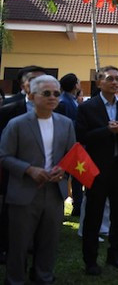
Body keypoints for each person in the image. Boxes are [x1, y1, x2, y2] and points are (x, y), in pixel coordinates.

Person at [0, 75, 75, 285]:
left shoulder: (66, 123)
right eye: (46, 93)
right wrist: (28, 170)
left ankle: (44, 276)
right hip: (24, 192)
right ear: (31, 96)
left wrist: (63, 170)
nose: (52, 97)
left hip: (54, 192)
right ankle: (15, 279)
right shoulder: (16, 124)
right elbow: (3, 156)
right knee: (19, 243)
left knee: (49, 241)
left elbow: (72, 155)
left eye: (56, 93)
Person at [76, 66, 118, 275]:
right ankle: (90, 259)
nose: (115, 82)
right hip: (97, 168)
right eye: (110, 79)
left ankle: (115, 253)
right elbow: (82, 136)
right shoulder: (88, 107)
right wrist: (106, 131)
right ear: (99, 82)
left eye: (117, 79)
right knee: (94, 215)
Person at [56, 73, 82, 216]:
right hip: (68, 145)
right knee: (66, 176)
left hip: (75, 144)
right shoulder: (64, 102)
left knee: (78, 177)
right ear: (74, 85)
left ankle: (77, 205)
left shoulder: (72, 100)